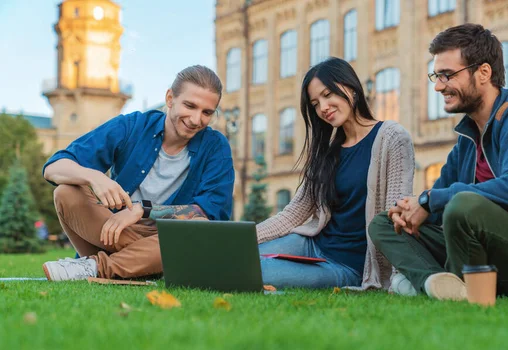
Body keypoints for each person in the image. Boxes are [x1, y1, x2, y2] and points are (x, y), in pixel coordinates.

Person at [369, 24, 508, 300]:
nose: (439, 86)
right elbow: (438, 205)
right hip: (485, 255)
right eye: (436, 76)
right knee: (384, 223)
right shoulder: (468, 137)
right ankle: (435, 283)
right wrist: (412, 208)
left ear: (484, 73)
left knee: (463, 205)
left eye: (447, 75)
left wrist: (431, 200)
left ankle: (444, 284)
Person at [41, 65, 234, 281]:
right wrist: (94, 177)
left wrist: (143, 210)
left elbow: (211, 213)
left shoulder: (216, 146)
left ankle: (96, 268)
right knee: (65, 193)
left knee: (198, 228)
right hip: (114, 231)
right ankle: (143, 266)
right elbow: (54, 167)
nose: (196, 119)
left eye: (207, 112)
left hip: (164, 238)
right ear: (170, 98)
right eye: (190, 106)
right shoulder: (132, 126)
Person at [256, 57, 415, 289]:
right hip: (311, 244)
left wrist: (399, 277)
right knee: (239, 257)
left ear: (350, 87)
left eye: (328, 94)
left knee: (258, 270)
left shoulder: (392, 138)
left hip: (347, 266)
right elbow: (292, 215)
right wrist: (241, 239)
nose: (323, 108)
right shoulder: (327, 152)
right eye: (315, 103)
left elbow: (395, 216)